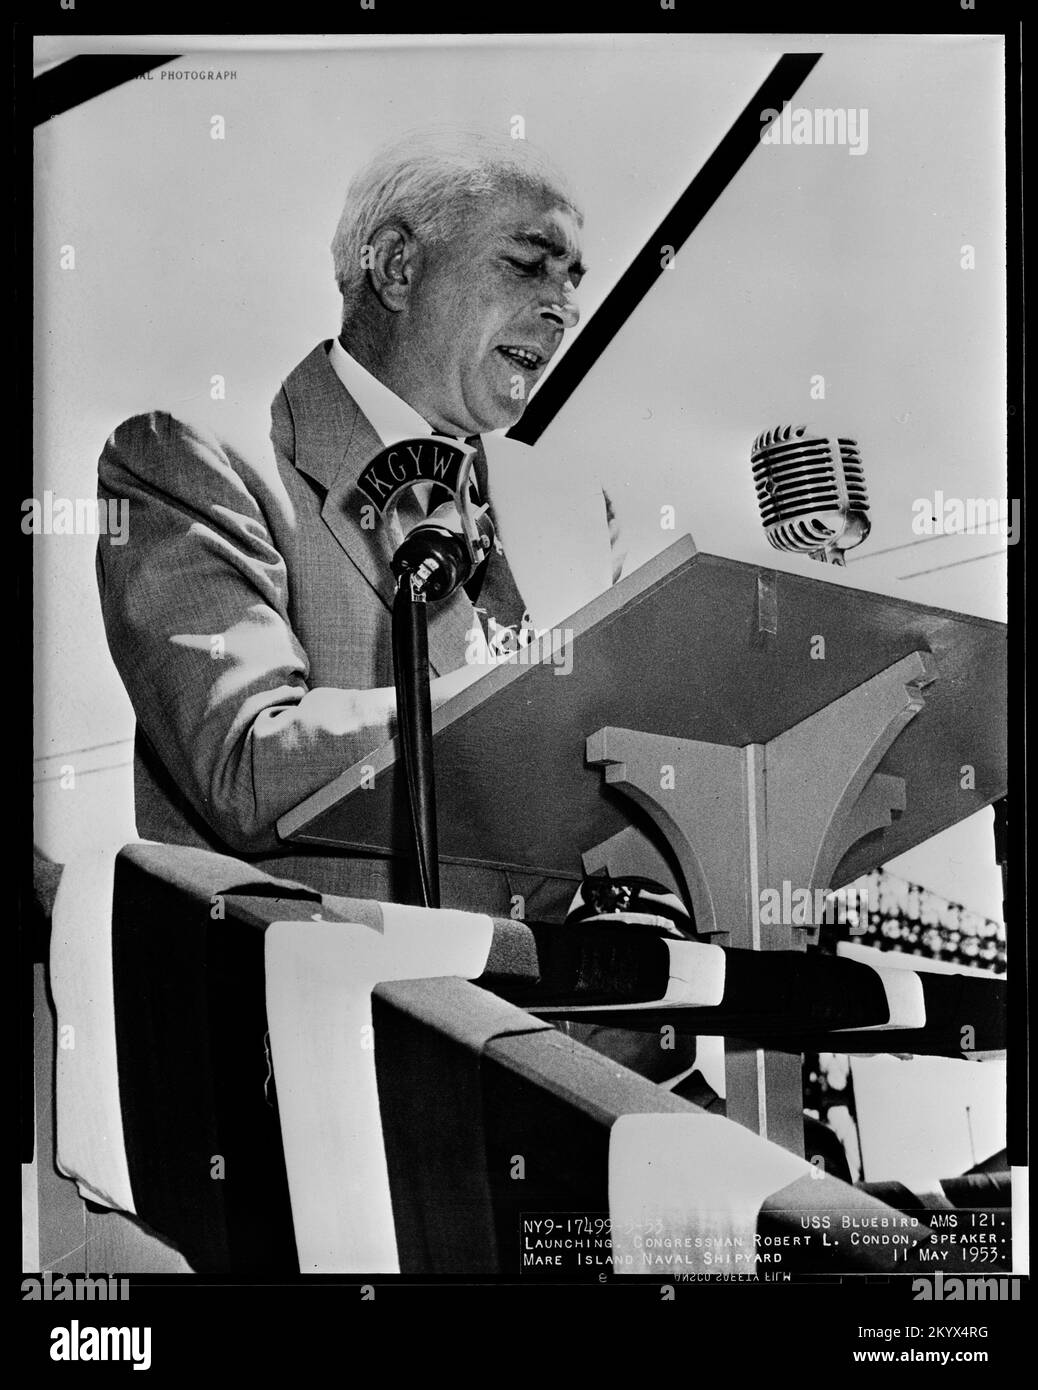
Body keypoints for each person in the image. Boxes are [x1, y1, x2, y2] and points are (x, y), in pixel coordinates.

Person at [96, 131, 619, 919]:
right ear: (397, 266)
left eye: (572, 278)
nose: (565, 306)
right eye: (526, 262)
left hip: (549, 1034)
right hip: (327, 1022)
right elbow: (244, 765)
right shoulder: (194, 457)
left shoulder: (576, 515)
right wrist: (521, 704)